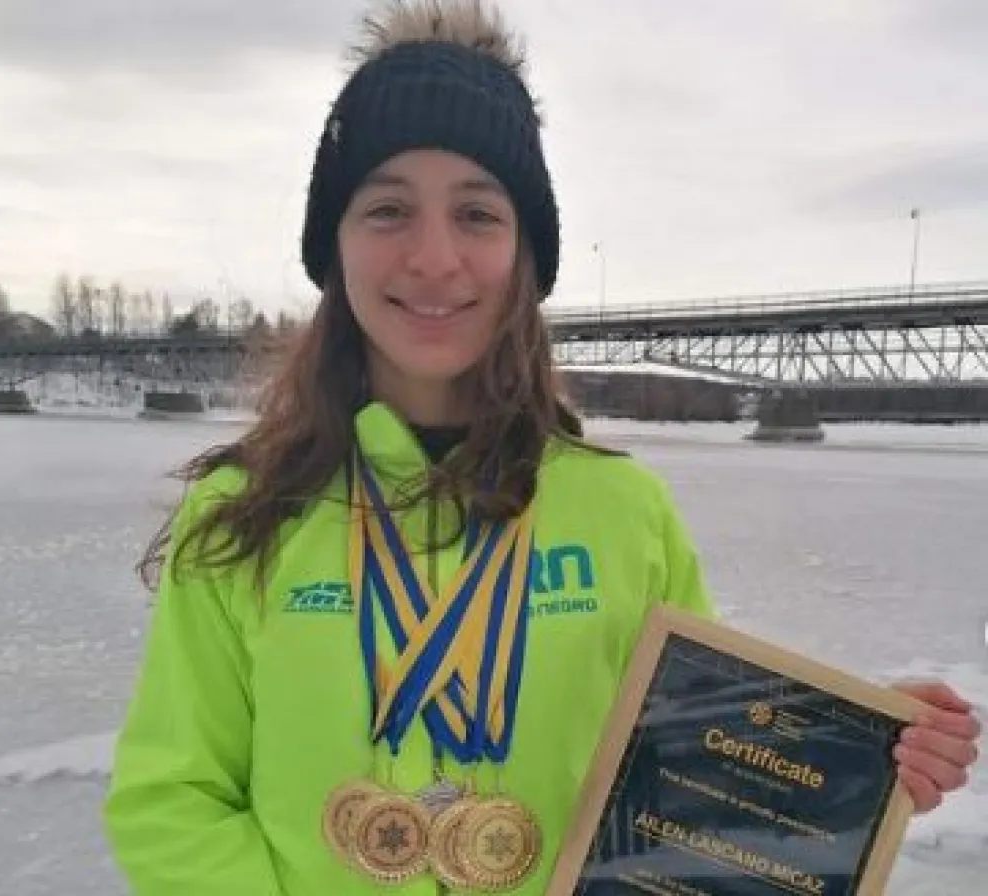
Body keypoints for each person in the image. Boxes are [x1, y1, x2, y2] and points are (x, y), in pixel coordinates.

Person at [102, 1, 981, 893]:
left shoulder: (625, 510)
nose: (435, 257)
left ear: (527, 253)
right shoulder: (244, 512)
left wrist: (858, 748)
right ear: (333, 246)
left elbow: (698, 776)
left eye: (478, 214)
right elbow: (172, 799)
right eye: (388, 209)